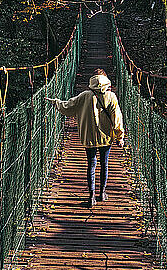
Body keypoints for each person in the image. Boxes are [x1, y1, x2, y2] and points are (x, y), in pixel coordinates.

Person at [47, 69, 124, 208]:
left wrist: (55, 102)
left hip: (89, 137)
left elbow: (68, 106)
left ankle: (91, 196)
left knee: (91, 165)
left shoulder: (84, 96)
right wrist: (120, 136)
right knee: (104, 164)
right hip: (106, 137)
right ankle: (103, 193)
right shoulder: (111, 96)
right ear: (106, 80)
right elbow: (117, 118)